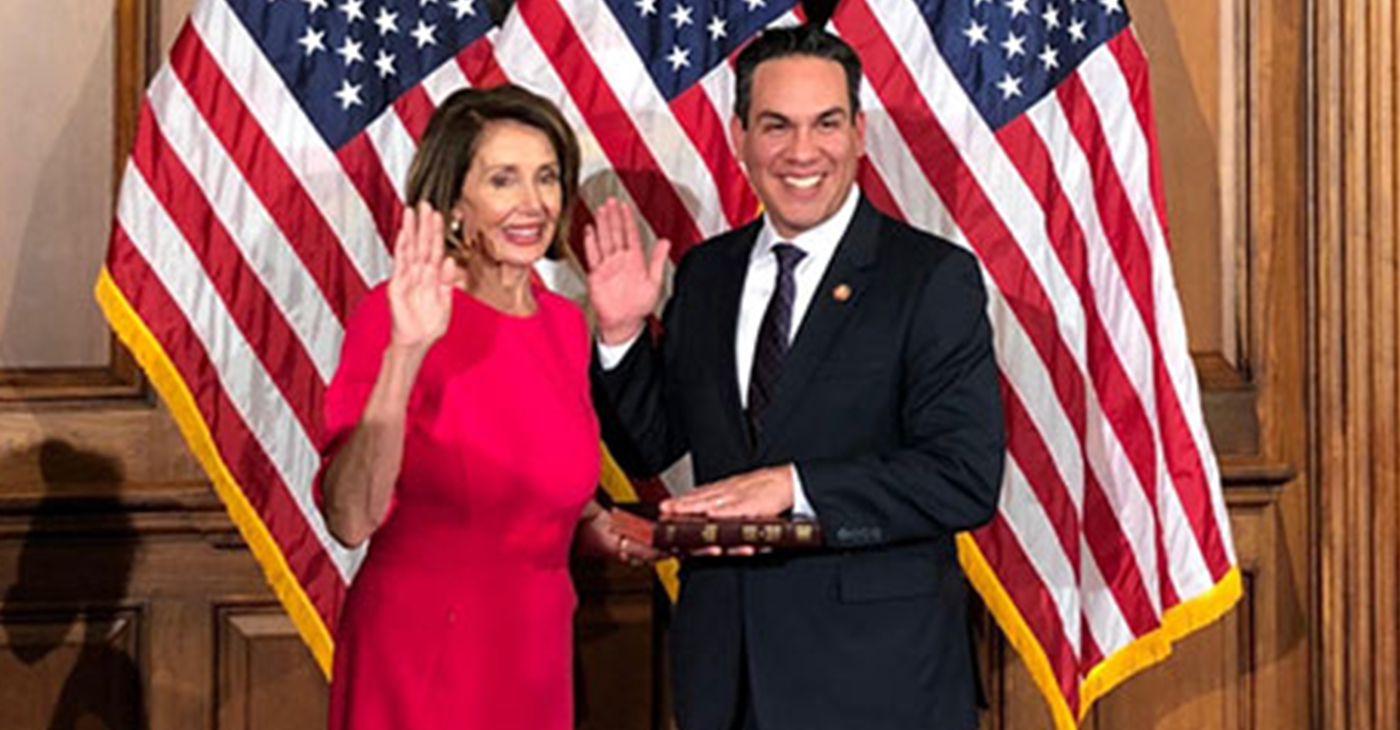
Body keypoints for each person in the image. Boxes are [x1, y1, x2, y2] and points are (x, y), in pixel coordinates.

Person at [586, 26, 1006, 730]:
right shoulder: (707, 274)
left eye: (826, 124)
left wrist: (793, 486)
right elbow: (649, 447)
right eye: (777, 125)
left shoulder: (930, 279)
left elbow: (962, 478)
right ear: (739, 136)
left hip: (877, 680)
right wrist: (622, 334)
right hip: (725, 672)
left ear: (860, 132)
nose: (803, 152)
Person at [316, 84, 650, 730]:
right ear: (455, 203)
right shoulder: (399, 315)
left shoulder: (561, 324)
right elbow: (349, 518)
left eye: (547, 177)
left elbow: (551, 494)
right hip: (423, 657)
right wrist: (406, 352)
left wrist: (630, 530)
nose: (533, 203)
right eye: (504, 179)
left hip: (535, 654)